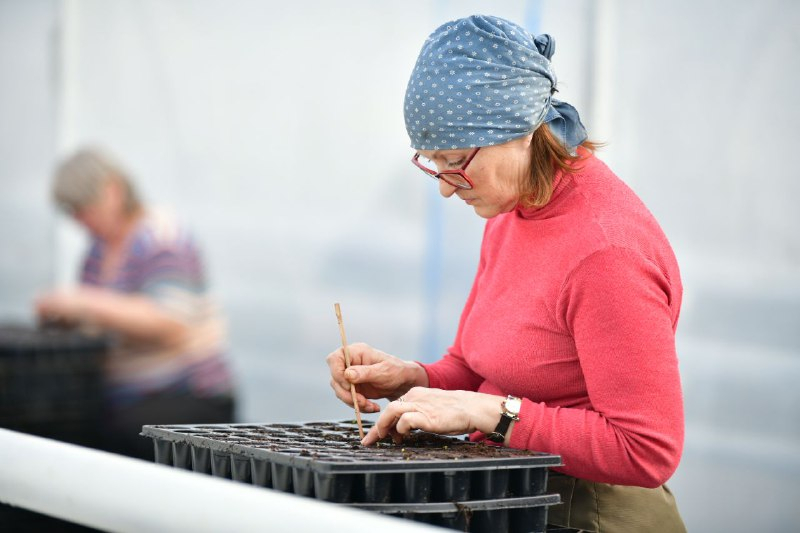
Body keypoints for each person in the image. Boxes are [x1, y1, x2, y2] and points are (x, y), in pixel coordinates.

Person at [327, 15, 685, 532]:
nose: (447, 187)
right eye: (432, 163)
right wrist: (414, 380)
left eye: (454, 160)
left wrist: (490, 415)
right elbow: (480, 369)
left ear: (518, 132)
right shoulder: (513, 211)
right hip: (513, 497)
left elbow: (645, 449)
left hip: (589, 513)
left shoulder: (606, 251)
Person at [36, 147, 236, 460]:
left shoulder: (162, 238)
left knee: (121, 435)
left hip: (188, 394)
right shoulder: (98, 253)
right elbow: (104, 320)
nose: (80, 219)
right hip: (125, 396)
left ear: (112, 191)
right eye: (72, 211)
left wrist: (84, 302)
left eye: (83, 207)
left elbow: (170, 322)